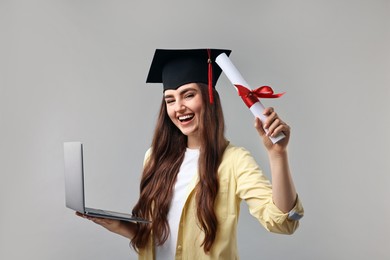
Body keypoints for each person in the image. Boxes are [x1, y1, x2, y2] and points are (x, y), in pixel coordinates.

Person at [76, 48, 304, 259]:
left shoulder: (234, 161)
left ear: (208, 97)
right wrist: (114, 223)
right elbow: (156, 236)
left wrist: (278, 155)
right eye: (170, 100)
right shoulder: (154, 157)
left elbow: (282, 222)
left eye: (188, 95)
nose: (178, 108)